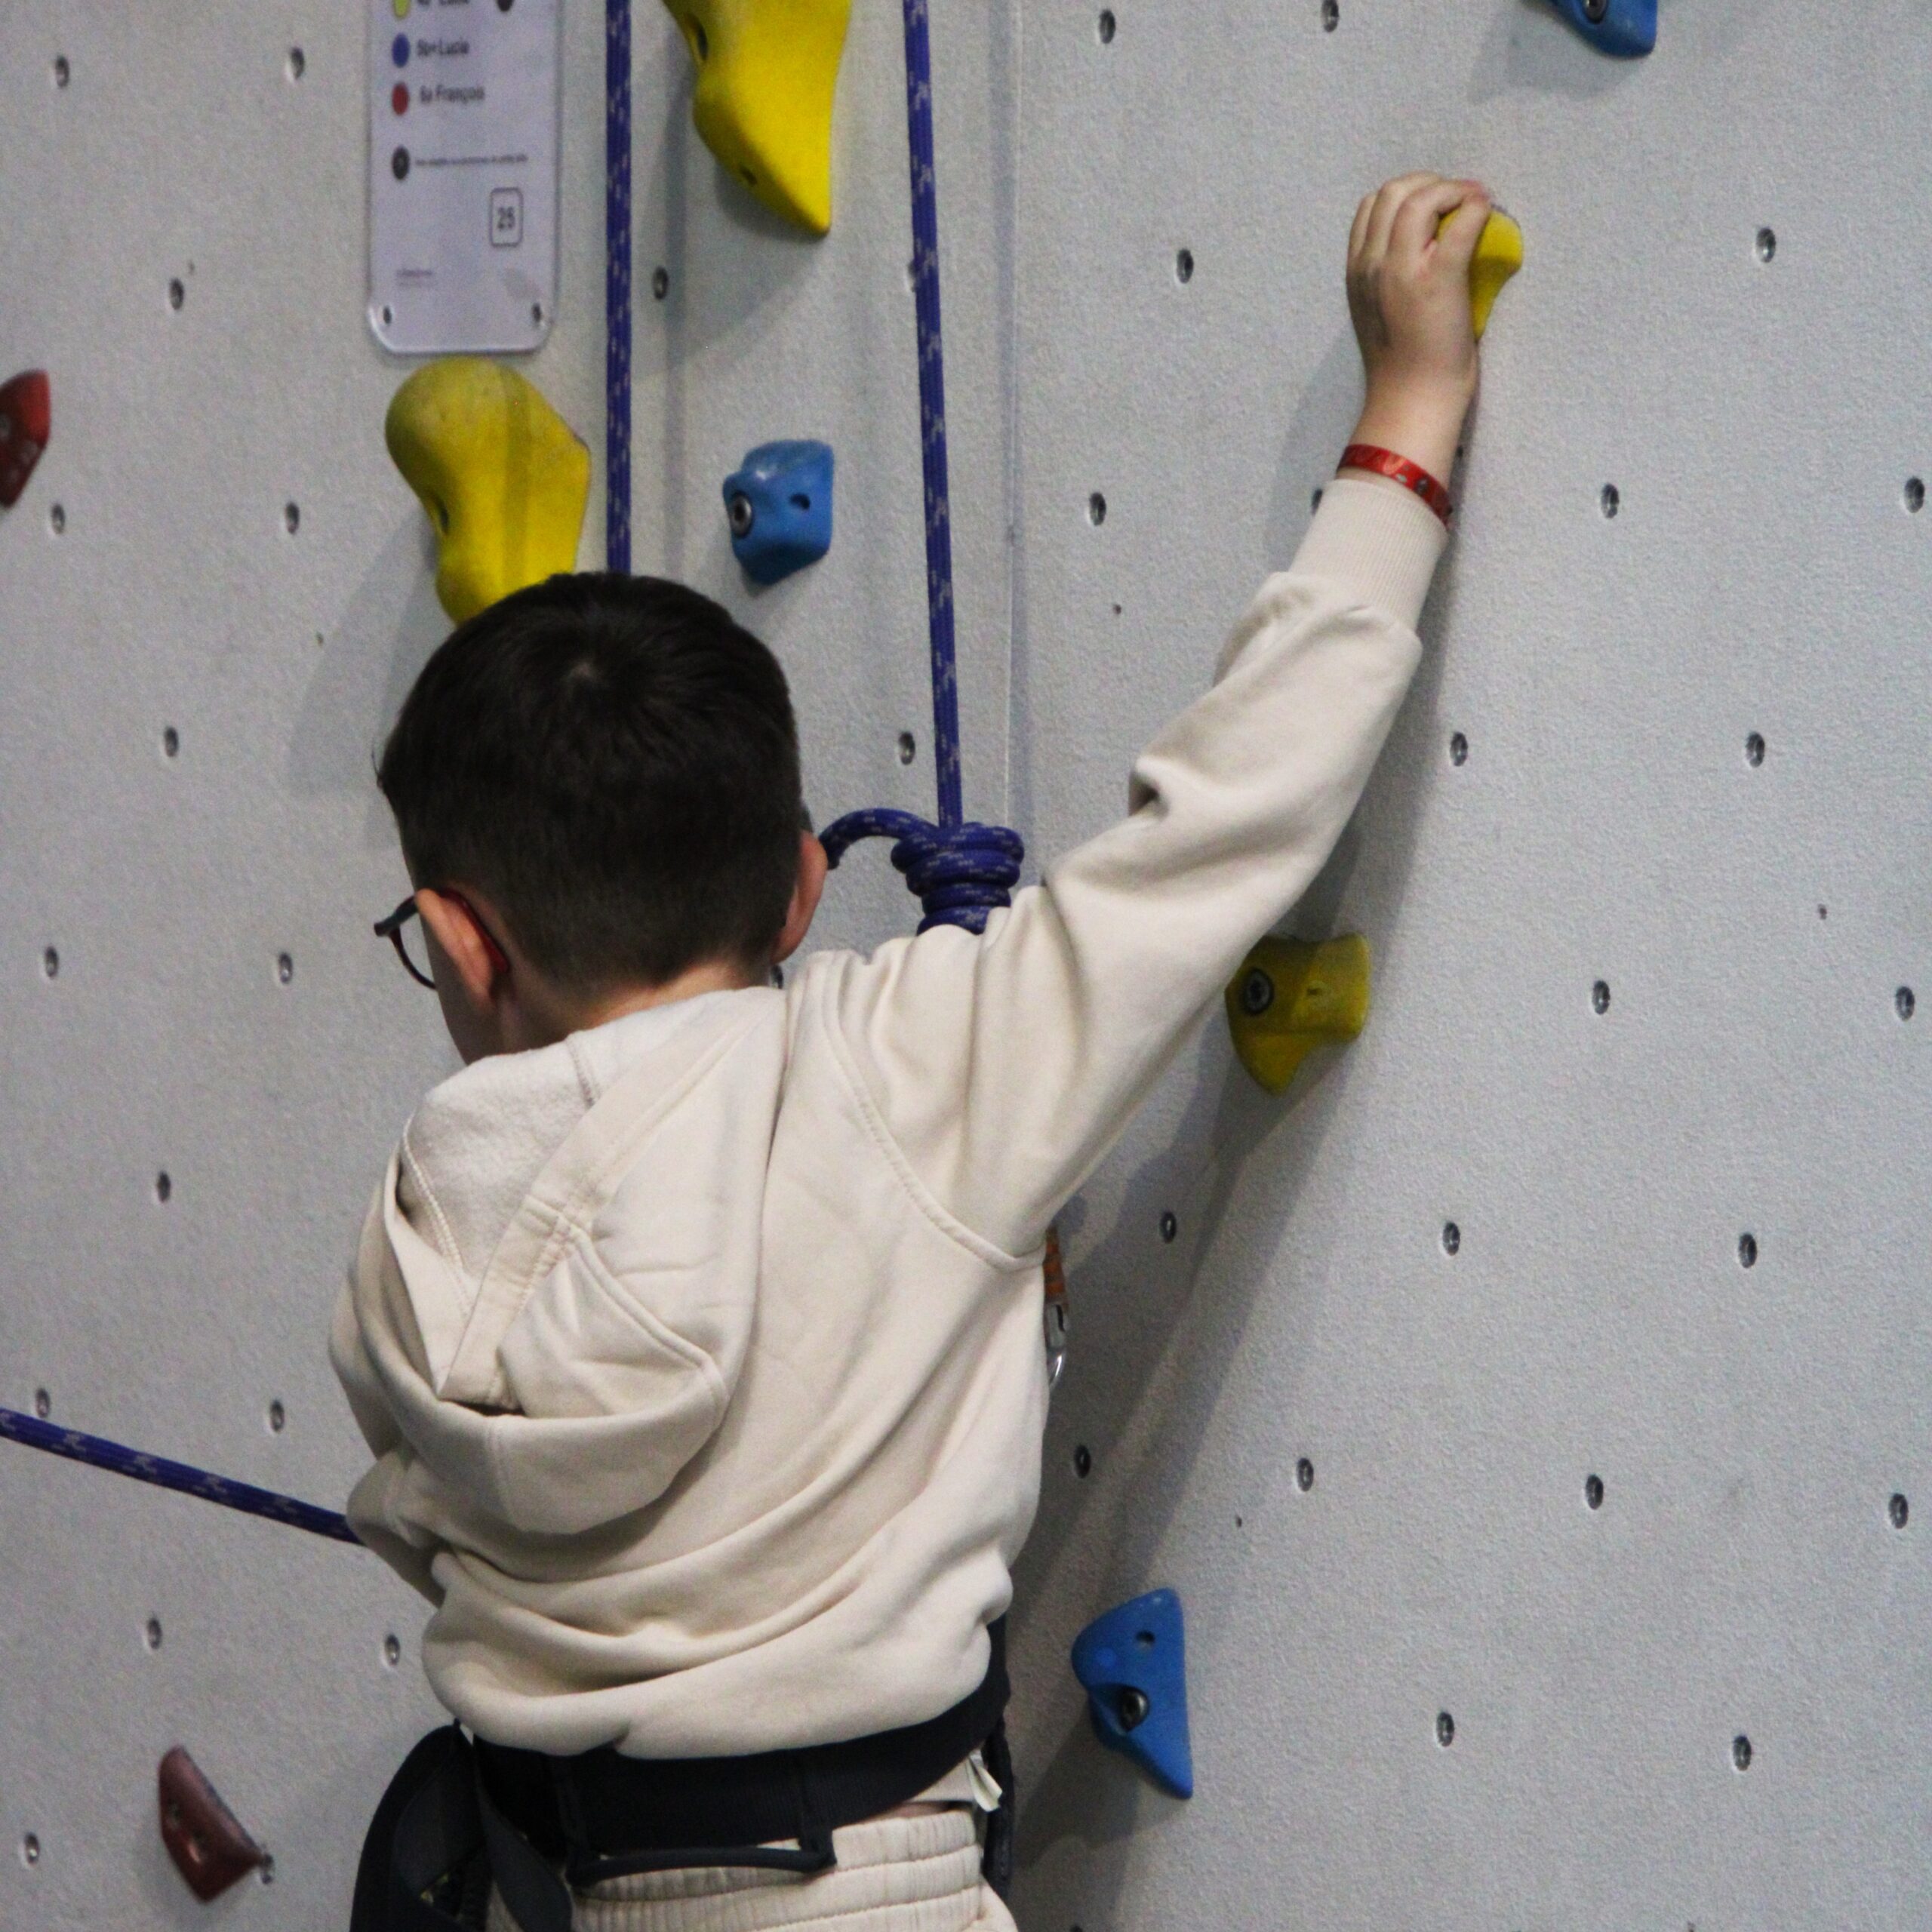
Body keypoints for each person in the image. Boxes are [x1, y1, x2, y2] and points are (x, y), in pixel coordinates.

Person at [334, 171, 1494, 1932]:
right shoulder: (909, 1071)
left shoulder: (410, 1234)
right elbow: (1224, 824)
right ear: (807, 882)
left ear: (466, 938)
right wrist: (1407, 411)